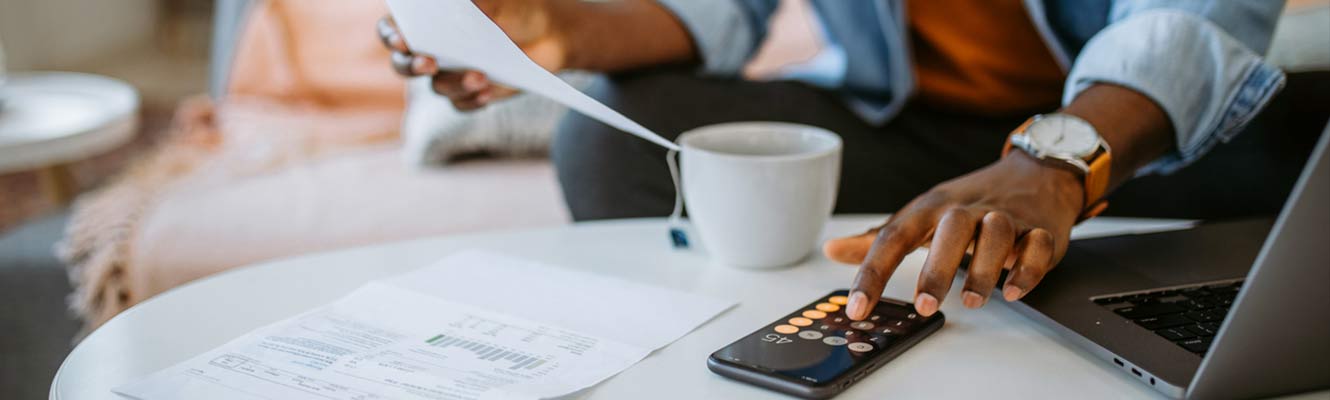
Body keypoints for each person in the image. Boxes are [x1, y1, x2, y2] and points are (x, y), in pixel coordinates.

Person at [376, 0, 1289, 321]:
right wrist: (557, 28)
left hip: (1129, 135)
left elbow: (1195, 18)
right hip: (910, 130)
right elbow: (722, 10)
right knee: (611, 131)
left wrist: (1052, 163)